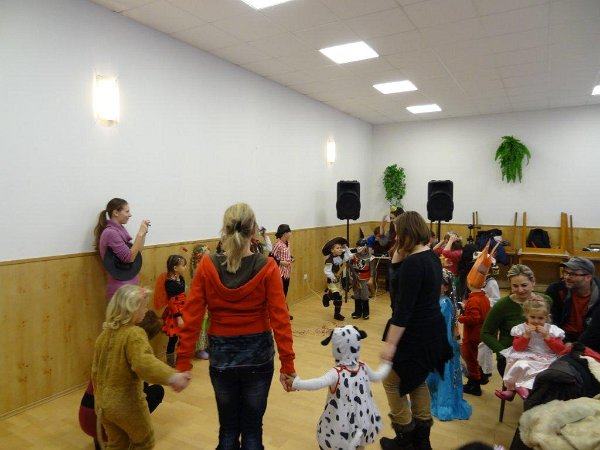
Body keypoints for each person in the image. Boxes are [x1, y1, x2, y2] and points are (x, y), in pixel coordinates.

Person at [176, 203, 296, 450]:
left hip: (222, 357)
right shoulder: (267, 266)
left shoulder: (207, 265)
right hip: (258, 356)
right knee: (252, 432)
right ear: (254, 231)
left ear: (224, 230)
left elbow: (192, 317)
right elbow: (280, 319)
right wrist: (288, 365)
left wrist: (183, 363)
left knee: (228, 430)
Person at [379, 211, 451, 450]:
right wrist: (398, 254)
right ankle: (422, 441)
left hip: (414, 333)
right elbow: (398, 282)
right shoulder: (430, 256)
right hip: (430, 331)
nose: (395, 237)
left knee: (392, 381)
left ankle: (406, 437)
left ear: (406, 233)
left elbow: (402, 310)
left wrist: (390, 345)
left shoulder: (413, 264)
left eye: (398, 233)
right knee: (416, 380)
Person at [92, 285, 191, 449]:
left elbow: (95, 372)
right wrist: (172, 376)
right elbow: (144, 363)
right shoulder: (134, 333)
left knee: (117, 444)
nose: (146, 310)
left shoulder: (103, 335)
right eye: (143, 306)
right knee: (144, 442)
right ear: (132, 309)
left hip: (103, 405)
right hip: (127, 404)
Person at [291, 326, 391, 450]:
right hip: (362, 418)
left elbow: (317, 383)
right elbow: (377, 376)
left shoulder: (336, 373)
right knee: (359, 442)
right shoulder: (363, 366)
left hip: (340, 421)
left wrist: (296, 383)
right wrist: (387, 363)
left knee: (339, 442)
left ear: (336, 348)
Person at [481, 264, 552, 377]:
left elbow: (552, 327)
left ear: (533, 282)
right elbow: (486, 333)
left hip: (540, 358)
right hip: (510, 359)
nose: (520, 290)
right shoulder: (502, 305)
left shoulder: (546, 301)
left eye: (524, 285)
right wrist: (502, 352)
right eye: (515, 286)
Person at [495, 299, 567, 401]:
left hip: (547, 357)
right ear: (526, 316)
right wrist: (526, 336)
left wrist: (547, 337)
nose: (536, 321)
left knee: (543, 371)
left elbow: (560, 350)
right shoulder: (521, 329)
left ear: (547, 317)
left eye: (540, 318)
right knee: (520, 365)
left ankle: (525, 388)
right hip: (527, 354)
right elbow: (517, 347)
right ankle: (511, 390)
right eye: (532, 317)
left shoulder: (552, 330)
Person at [426, 269, 472, 421]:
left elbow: (444, 329)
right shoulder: (436, 301)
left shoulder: (444, 303)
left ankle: (444, 404)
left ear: (445, 287)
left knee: (443, 376)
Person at [458, 243, 497, 396]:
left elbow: (474, 318)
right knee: (474, 358)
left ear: (469, 282)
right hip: (480, 332)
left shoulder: (474, 299)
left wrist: (461, 318)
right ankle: (476, 379)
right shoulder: (483, 297)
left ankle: (474, 384)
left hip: (472, 334)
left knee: (470, 359)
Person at [94, 198, 150, 299]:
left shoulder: (118, 231)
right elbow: (129, 258)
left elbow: (137, 253)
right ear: (116, 212)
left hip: (128, 286)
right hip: (121, 289)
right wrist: (140, 233)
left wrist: (144, 233)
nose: (130, 215)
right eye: (127, 211)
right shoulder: (111, 233)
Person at [546, 257, 599, 342]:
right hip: (560, 337)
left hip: (590, 341)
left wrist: (578, 345)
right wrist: (564, 341)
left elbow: (595, 330)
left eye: (573, 274)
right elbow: (550, 320)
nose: (567, 277)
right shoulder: (556, 290)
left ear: (588, 277)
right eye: (565, 272)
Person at [154, 255, 187, 367]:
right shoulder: (169, 283)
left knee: (183, 337)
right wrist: (178, 317)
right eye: (183, 265)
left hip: (184, 310)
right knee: (173, 339)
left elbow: (183, 295)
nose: (185, 267)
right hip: (175, 313)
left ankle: (181, 360)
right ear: (175, 268)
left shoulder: (181, 278)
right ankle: (170, 362)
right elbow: (171, 302)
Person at [322, 237, 353, 321]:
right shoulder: (329, 260)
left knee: (337, 297)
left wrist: (346, 247)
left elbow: (350, 256)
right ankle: (337, 314)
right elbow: (327, 271)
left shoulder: (341, 257)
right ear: (332, 250)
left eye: (340, 248)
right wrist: (333, 277)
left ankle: (327, 297)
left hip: (338, 280)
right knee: (338, 297)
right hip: (332, 281)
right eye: (338, 248)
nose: (340, 249)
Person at [271, 224, 293, 319]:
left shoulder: (287, 243)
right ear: (285, 233)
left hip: (287, 273)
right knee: (280, 295)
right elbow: (271, 257)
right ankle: (280, 315)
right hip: (280, 274)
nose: (291, 233)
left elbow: (286, 255)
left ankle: (284, 313)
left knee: (284, 294)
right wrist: (281, 262)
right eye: (289, 232)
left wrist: (291, 258)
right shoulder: (278, 244)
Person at [350, 239, 372, 320]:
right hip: (355, 278)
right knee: (356, 294)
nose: (359, 248)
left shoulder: (370, 257)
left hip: (365, 278)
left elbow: (372, 269)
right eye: (358, 246)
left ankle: (366, 312)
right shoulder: (354, 256)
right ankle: (357, 312)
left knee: (364, 295)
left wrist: (371, 278)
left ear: (365, 246)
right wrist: (353, 275)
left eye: (361, 246)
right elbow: (351, 266)